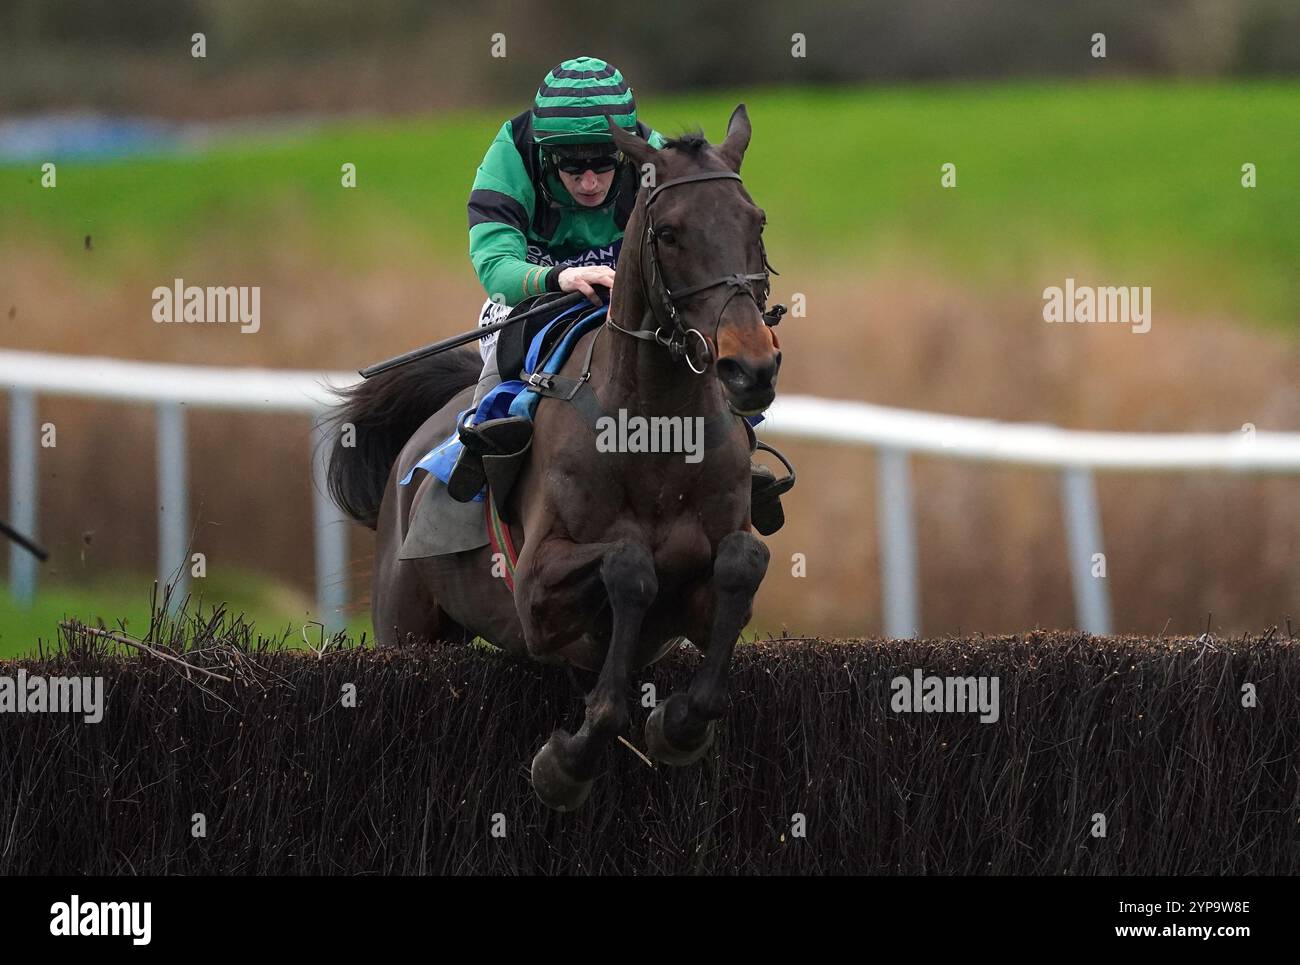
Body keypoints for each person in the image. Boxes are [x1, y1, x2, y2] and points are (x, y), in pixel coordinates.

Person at [448, 56, 786, 534]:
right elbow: (494, 264)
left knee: (689, 347)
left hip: (627, 294)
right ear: (548, 153)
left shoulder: (651, 160)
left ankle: (738, 452)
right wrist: (558, 278)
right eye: (573, 167)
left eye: (604, 165)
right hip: (533, 296)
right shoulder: (511, 155)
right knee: (502, 362)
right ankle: (475, 461)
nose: (590, 182)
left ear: (622, 150)